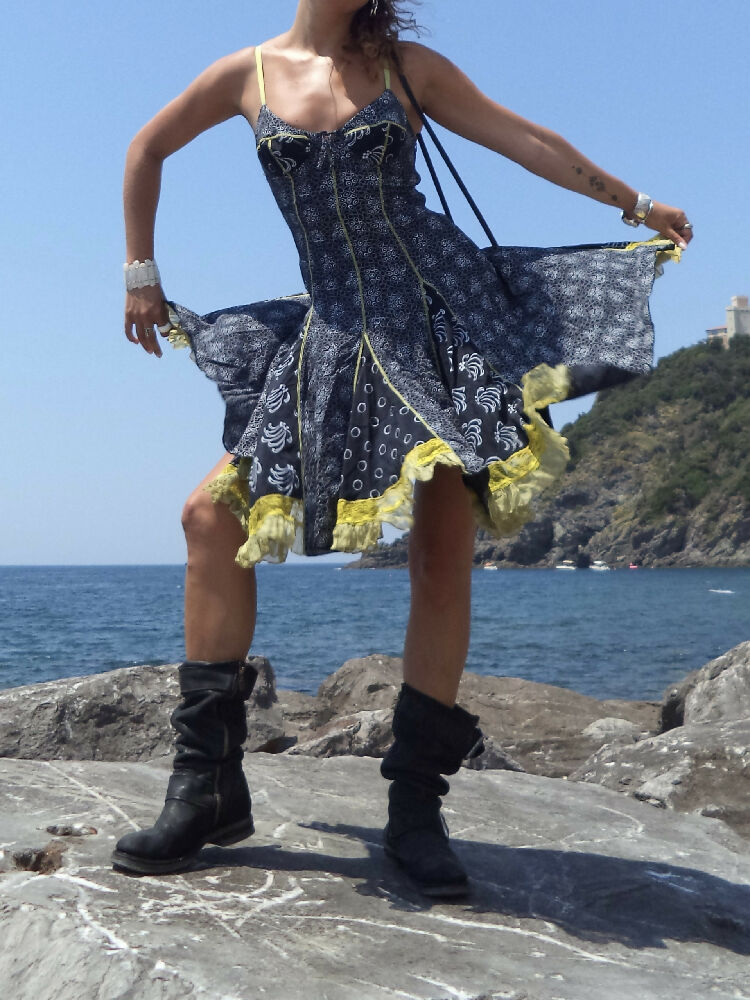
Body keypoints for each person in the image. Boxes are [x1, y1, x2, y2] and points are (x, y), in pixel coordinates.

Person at [113, 0, 692, 897]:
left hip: (439, 319)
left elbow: (523, 140)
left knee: (438, 552)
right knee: (208, 517)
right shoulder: (245, 76)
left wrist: (637, 202)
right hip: (333, 334)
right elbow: (145, 149)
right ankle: (207, 788)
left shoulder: (403, 66)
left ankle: (416, 811)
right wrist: (141, 274)